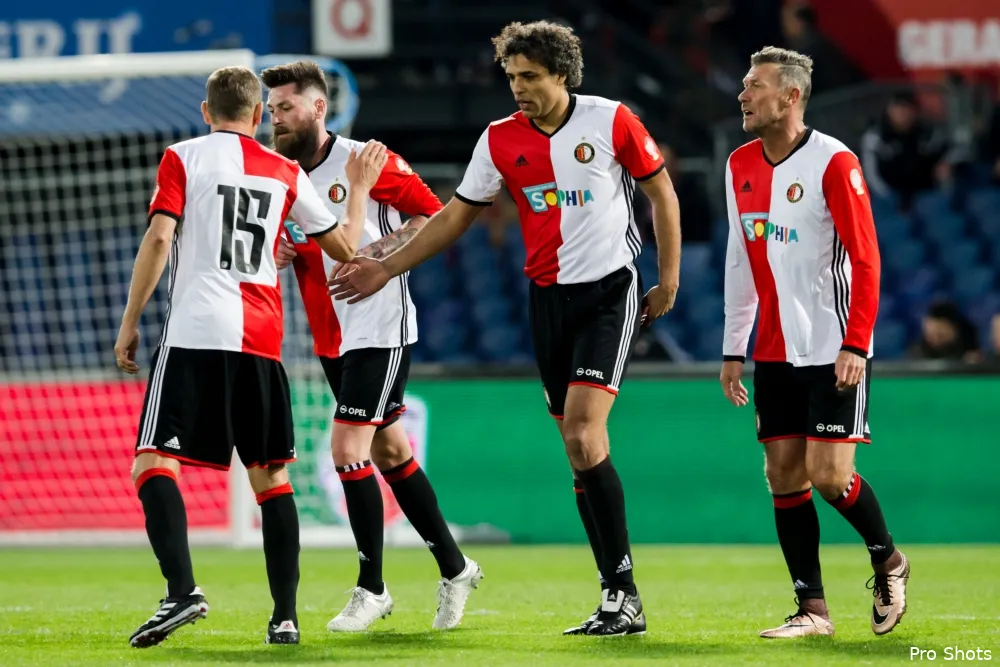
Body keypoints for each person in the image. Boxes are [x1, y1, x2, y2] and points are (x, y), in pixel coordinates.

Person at [330, 20, 682, 637]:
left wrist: (669, 278)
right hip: (546, 301)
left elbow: (663, 194)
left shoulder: (610, 120)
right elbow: (453, 218)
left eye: (529, 76)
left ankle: (623, 592)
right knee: (578, 451)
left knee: (582, 431)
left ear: (562, 75)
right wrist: (384, 269)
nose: (517, 87)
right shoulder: (498, 140)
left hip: (610, 293)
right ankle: (615, 598)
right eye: (511, 76)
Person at [113, 65, 387, 648]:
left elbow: (160, 238)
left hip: (193, 332)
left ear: (207, 112)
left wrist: (131, 320)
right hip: (262, 339)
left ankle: (182, 591)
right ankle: (284, 617)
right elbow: (343, 248)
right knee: (271, 478)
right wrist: (359, 191)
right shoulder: (287, 169)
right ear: (258, 116)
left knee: (153, 462)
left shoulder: (182, 156)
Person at [259, 60, 483, 632]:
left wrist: (380, 256)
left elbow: (434, 215)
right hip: (331, 334)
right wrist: (290, 250)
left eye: (286, 107)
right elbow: (308, 240)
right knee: (389, 454)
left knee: (346, 448)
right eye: (272, 108)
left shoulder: (365, 161)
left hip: (378, 327)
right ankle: (455, 568)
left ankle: (372, 587)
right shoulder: (282, 173)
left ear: (317, 108)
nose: (275, 118)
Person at [720, 46, 909, 639]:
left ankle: (889, 559)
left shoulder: (835, 161)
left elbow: (867, 257)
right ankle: (812, 610)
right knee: (783, 475)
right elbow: (739, 261)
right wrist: (733, 348)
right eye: (744, 85)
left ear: (791, 96)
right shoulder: (739, 164)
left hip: (832, 345)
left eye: (755, 86)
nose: (743, 95)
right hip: (774, 348)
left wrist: (856, 341)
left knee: (829, 476)